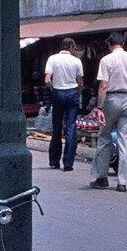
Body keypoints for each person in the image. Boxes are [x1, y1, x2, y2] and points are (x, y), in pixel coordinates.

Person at [91, 32, 127, 192]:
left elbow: (103, 86)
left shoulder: (106, 60)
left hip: (111, 100)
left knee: (104, 138)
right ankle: (123, 182)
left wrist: (99, 108)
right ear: (122, 43)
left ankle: (102, 177)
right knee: (125, 140)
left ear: (109, 44)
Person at [44, 37, 84, 171]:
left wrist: (53, 88)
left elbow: (47, 79)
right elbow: (80, 82)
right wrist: (77, 93)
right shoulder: (76, 61)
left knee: (56, 127)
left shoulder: (52, 58)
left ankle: (54, 161)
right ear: (72, 47)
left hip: (58, 92)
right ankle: (68, 163)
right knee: (71, 127)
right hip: (72, 93)